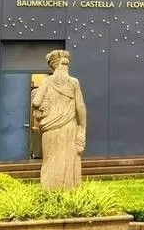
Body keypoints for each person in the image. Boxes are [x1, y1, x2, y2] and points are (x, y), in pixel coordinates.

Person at [31, 49, 87, 190]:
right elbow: (80, 107)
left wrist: (38, 97)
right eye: (65, 65)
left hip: (51, 128)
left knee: (51, 160)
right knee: (67, 160)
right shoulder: (74, 82)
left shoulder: (47, 82)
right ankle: (69, 190)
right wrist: (82, 128)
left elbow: (36, 102)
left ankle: (50, 190)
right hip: (68, 126)